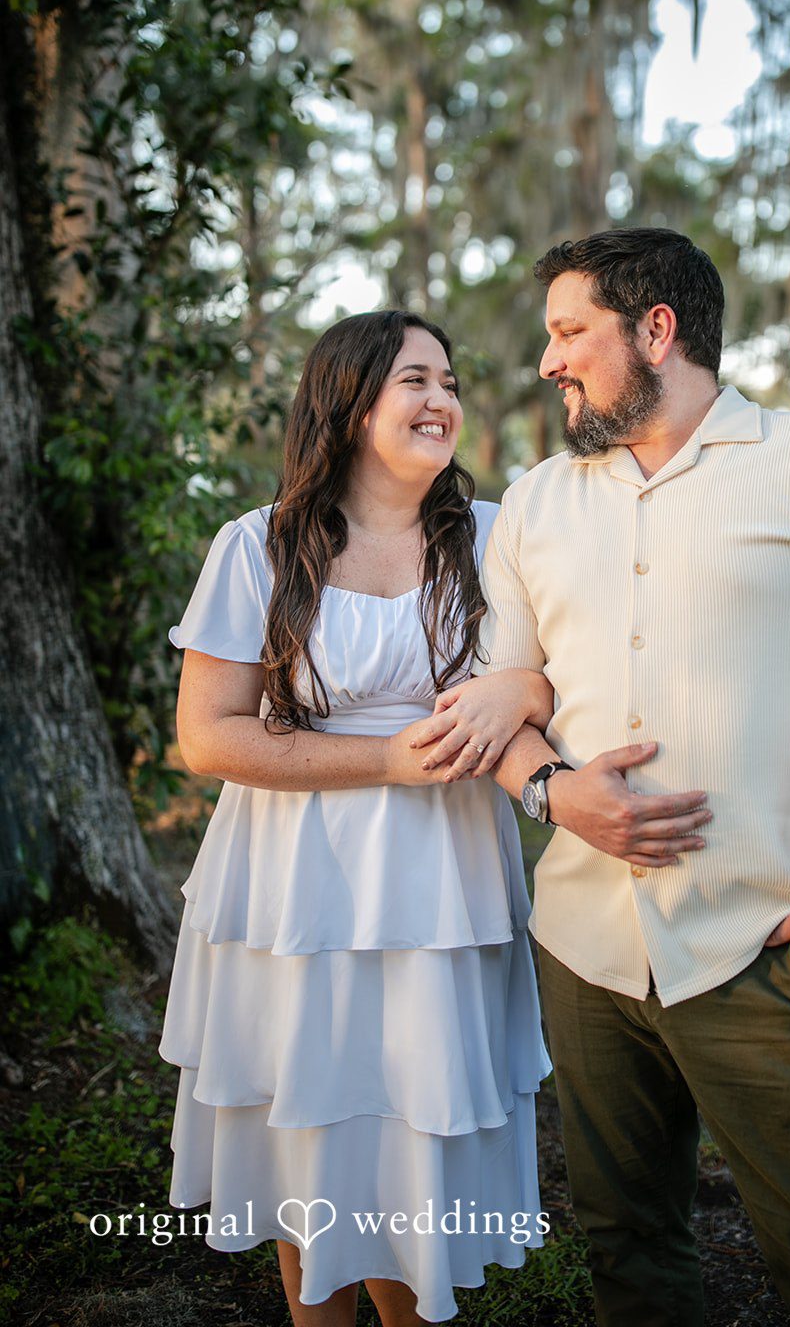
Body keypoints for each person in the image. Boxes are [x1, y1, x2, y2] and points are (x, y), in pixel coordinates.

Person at [416, 229, 790, 1327]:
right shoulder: (536, 501)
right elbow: (509, 685)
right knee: (630, 1257)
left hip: (764, 951)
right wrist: (546, 790)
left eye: (570, 332)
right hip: (581, 953)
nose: (547, 361)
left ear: (655, 331)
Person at [159, 309, 553, 1327]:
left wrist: (525, 711)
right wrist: (383, 757)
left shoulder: (500, 538)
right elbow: (207, 736)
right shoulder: (257, 545)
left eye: (451, 383)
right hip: (295, 876)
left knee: (416, 1133)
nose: (442, 402)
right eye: (414, 381)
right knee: (313, 1121)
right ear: (347, 402)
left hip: (445, 876)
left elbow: (553, 681)